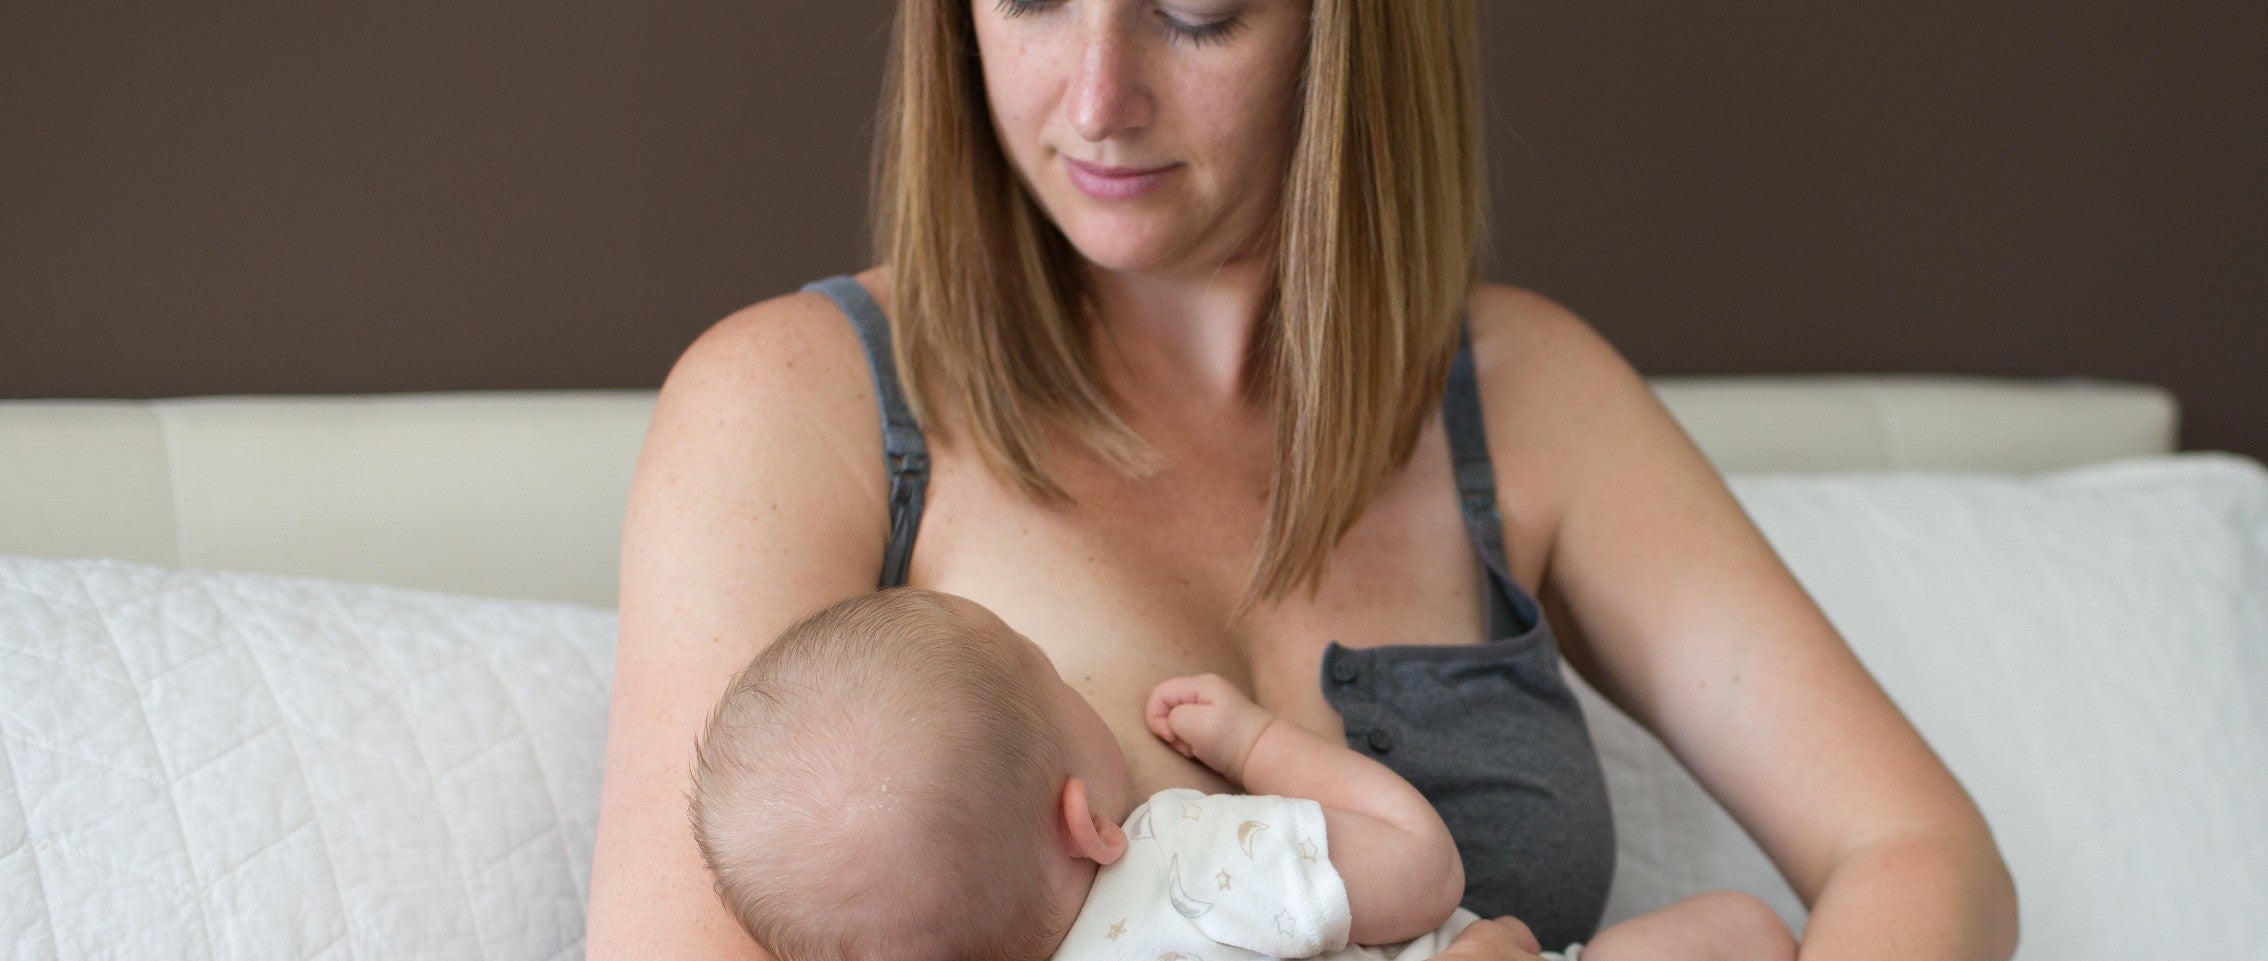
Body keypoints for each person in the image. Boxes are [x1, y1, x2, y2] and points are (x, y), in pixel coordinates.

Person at [586, 1, 2021, 959]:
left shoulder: (1526, 394)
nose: (1096, 96)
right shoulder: (804, 401)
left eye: (1197, 4)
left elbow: (1916, 848)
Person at [687, 587, 1797, 961]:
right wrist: (1259, 746)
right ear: (1086, 820)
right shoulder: (1184, 860)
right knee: (1743, 929)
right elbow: (1417, 870)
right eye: (1050, 672)